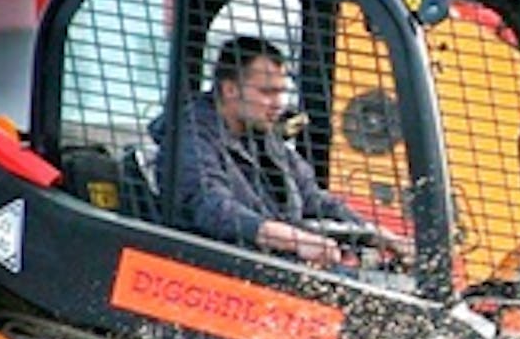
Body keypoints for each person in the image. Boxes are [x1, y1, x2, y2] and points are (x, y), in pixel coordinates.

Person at [155, 35, 408, 270]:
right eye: (267, 92)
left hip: (270, 267)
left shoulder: (262, 137)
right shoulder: (189, 140)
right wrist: (294, 240)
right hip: (216, 270)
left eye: (282, 92)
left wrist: (373, 234)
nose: (279, 104)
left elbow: (312, 198)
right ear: (230, 89)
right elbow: (214, 208)